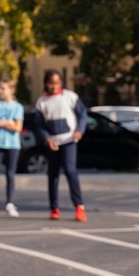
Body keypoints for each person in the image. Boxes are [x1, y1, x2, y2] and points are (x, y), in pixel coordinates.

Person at [33, 70, 86, 222]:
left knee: (70, 171)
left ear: (61, 82)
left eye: (57, 83)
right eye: (51, 83)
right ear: (46, 83)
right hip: (52, 143)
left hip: (69, 140)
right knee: (53, 174)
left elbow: (82, 115)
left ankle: (79, 206)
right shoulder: (41, 101)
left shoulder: (70, 97)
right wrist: (47, 139)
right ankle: (54, 208)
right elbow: (39, 125)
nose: (54, 86)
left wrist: (79, 131)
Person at [0, 78, 25, 217]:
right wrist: (8, 122)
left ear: (11, 90)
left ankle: (9, 202)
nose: (0, 91)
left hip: (12, 144)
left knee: (10, 173)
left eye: (3, 88)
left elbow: (18, 127)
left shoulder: (17, 107)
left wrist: (4, 123)